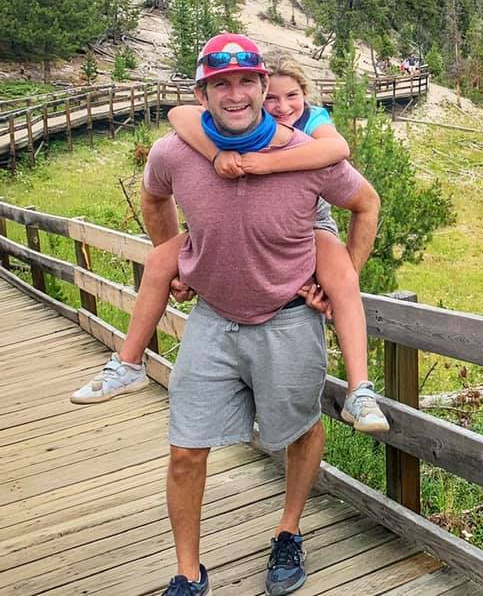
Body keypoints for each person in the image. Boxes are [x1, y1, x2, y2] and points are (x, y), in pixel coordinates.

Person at [136, 33, 379, 596]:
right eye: (221, 83)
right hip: (214, 318)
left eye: (248, 81)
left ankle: (288, 531)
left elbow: (363, 200)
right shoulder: (179, 148)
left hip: (290, 310)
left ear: (265, 87)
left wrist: (347, 275)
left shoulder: (307, 145)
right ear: (203, 93)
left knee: (300, 428)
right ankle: (187, 572)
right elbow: (155, 196)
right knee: (185, 444)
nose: (237, 93)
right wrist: (177, 260)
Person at [72, 58, 389, 434]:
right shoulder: (229, 121)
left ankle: (359, 390)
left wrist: (268, 164)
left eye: (290, 96)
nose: (281, 106)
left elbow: (337, 150)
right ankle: (128, 362)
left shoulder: (313, 123)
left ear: (304, 95)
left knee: (344, 280)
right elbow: (180, 115)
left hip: (307, 224)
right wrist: (216, 154)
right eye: (271, 98)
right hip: (229, 233)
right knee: (160, 260)